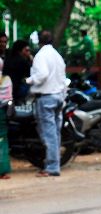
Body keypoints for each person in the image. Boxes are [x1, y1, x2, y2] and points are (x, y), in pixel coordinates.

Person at [25, 30, 66, 177]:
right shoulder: (57, 55)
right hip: (59, 96)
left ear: (39, 41)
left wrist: (28, 81)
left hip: (46, 97)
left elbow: (42, 74)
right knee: (54, 133)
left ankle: (52, 167)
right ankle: (54, 163)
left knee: (49, 134)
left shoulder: (41, 55)